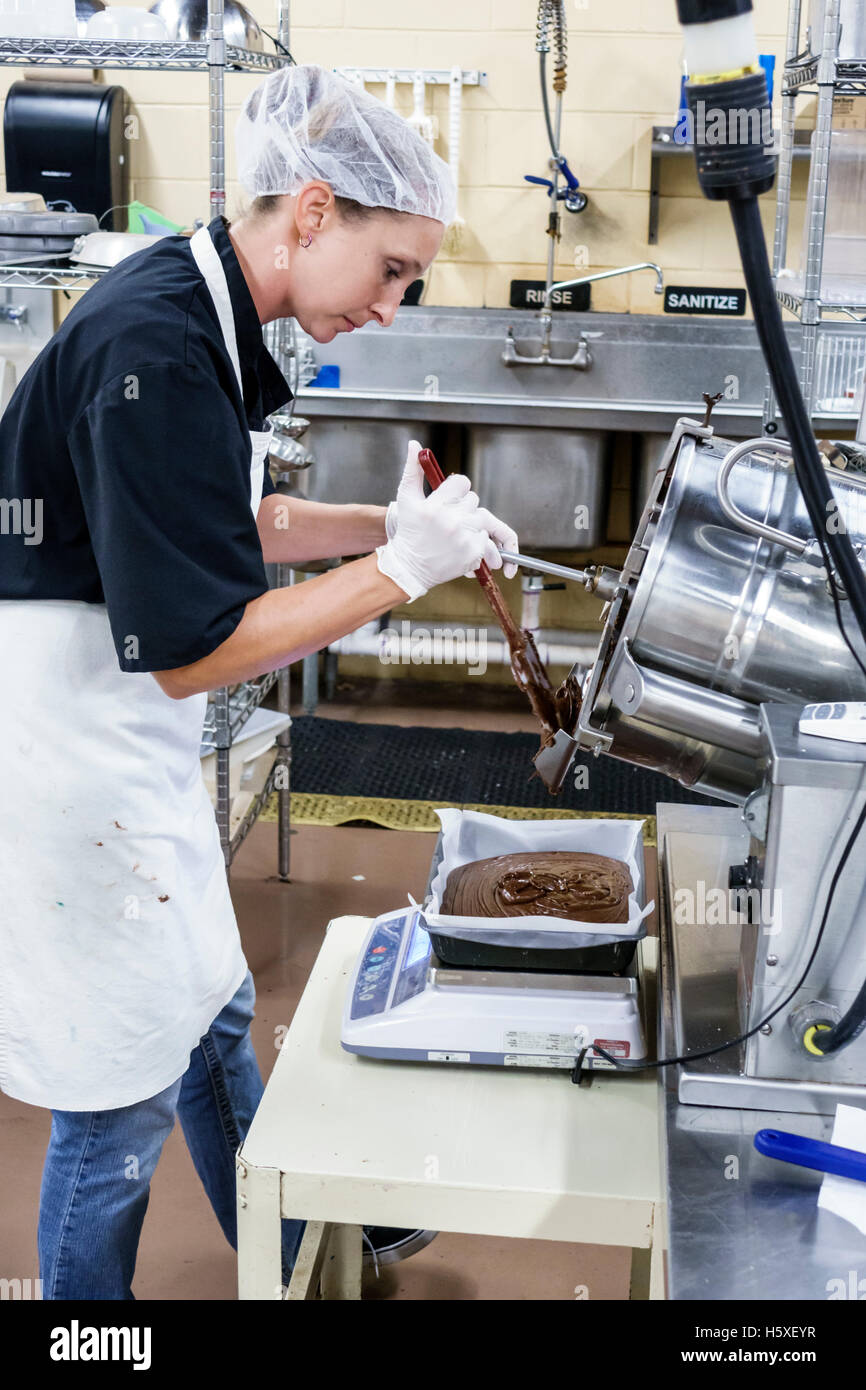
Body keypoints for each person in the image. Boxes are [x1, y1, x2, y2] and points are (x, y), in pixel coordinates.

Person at [0, 64, 519, 1299]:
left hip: (123, 742)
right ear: (316, 211)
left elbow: (236, 518)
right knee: (117, 1106)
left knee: (213, 1007)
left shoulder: (200, 307)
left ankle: (299, 1250)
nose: (393, 308)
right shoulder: (156, 343)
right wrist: (400, 572)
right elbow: (195, 651)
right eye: (393, 271)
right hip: (78, 756)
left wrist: (373, 525)